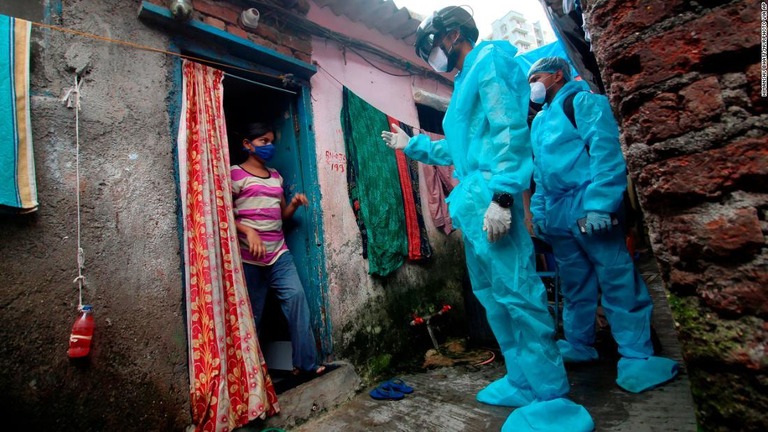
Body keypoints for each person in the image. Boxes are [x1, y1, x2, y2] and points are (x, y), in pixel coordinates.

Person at [382, 7, 593, 431]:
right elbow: (459, 150)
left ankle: (552, 397)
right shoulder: (462, 85)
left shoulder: (491, 61)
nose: (430, 55)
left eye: (431, 45)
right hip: (473, 197)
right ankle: (521, 379)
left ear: (454, 34)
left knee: (518, 293)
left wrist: (502, 194)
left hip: (492, 194)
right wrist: (414, 145)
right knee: (491, 295)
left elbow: (510, 131)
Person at [527, 57, 678, 393]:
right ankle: (580, 344)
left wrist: (599, 205)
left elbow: (606, 151)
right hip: (558, 211)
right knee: (575, 285)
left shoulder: (582, 101)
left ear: (557, 74)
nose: (532, 86)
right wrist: (540, 213)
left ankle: (637, 355)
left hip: (587, 201)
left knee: (616, 278)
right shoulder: (539, 123)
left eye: (535, 77)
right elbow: (539, 173)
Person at [231, 122, 325, 378]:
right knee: (254, 316)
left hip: (278, 253)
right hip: (249, 257)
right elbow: (223, 215)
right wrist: (248, 231)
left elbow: (281, 215)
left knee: (296, 300)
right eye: (263, 141)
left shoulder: (276, 177)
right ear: (247, 144)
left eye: (271, 141)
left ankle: (305, 364)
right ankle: (251, 377)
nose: (269, 146)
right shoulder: (234, 174)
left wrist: (293, 203)